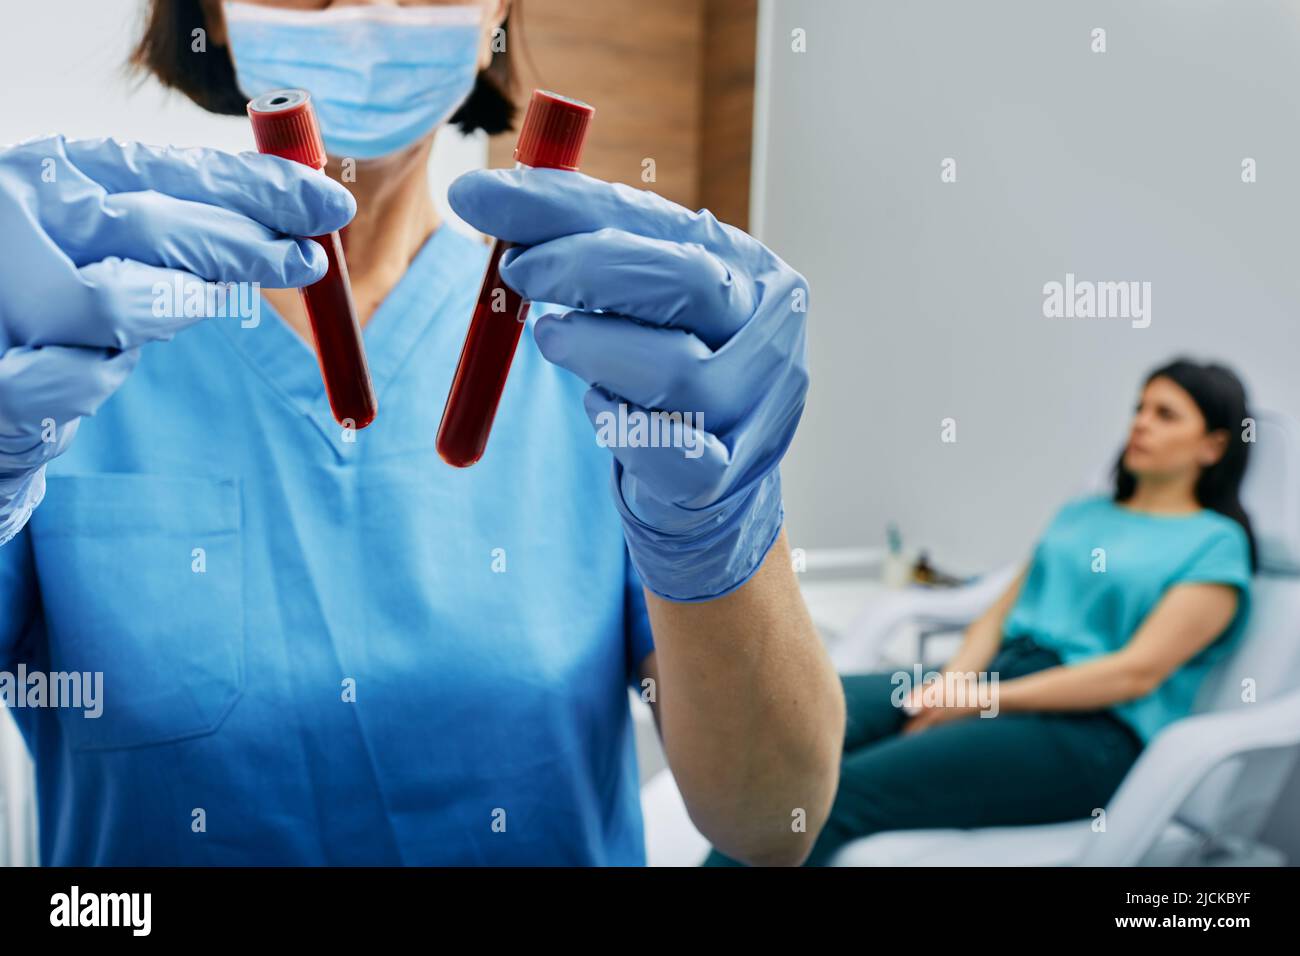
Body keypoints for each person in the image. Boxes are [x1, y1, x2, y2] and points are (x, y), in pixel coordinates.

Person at [0, 0, 846, 866]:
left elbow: (772, 820)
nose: (368, 5)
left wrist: (722, 528)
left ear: (496, 19)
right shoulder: (61, 342)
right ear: (209, 15)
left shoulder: (612, 353)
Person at [705, 359, 1257, 866]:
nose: (1140, 423)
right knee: (797, 711)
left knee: (835, 793)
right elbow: (999, 613)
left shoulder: (1215, 544)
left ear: (1212, 446)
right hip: (1004, 676)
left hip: (1091, 732)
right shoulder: (1085, 513)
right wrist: (953, 685)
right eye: (1139, 408)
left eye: (1165, 415)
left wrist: (981, 701)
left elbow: (1134, 673)